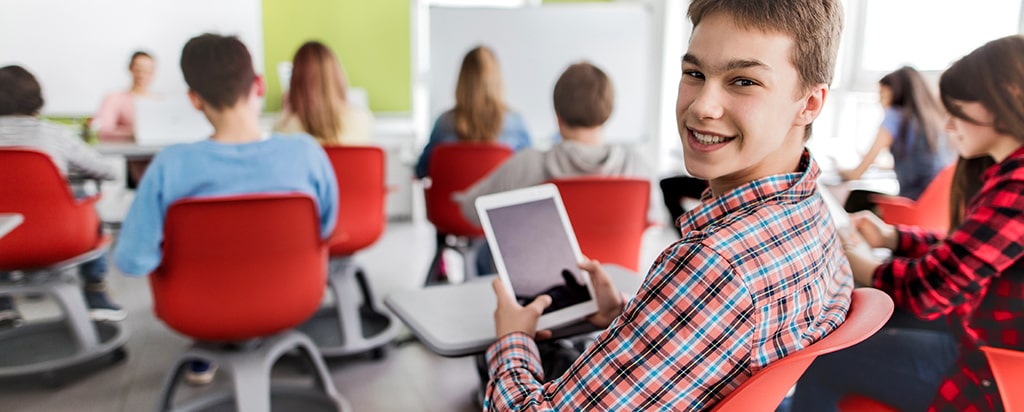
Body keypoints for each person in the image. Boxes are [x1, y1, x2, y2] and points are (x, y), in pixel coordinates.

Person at [483, 0, 852, 409]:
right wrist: (633, 317)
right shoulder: (810, 208)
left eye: (743, 81)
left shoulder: (714, 266)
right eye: (694, 74)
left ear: (810, 103)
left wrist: (512, 339)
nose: (701, 106)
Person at [790, 34, 1024, 411]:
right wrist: (892, 238)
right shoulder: (1005, 175)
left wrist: (859, 264)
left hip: (993, 371)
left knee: (827, 354)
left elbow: (932, 289)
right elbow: (965, 251)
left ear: (1007, 94)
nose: (949, 125)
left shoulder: (1018, 185)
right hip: (979, 335)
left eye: (958, 108)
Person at [113, 33, 339, 386]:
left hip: (197, 307)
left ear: (194, 99)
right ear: (259, 85)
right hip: (293, 297)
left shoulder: (169, 166)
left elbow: (133, 260)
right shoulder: (307, 153)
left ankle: (216, 337)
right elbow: (326, 229)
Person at [0, 65, 126, 328]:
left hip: (3, 240)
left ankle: (4, 306)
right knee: (82, 194)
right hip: (59, 238)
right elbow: (108, 171)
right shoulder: (54, 134)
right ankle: (95, 292)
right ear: (36, 98)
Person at [456, 62, 652, 226]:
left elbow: (471, 208)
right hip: (617, 273)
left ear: (558, 118)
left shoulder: (529, 164)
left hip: (539, 272)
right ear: (608, 114)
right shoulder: (638, 167)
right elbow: (654, 222)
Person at [840, 66, 953, 212]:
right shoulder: (932, 119)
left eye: (882, 94)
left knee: (856, 197)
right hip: (938, 210)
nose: (879, 101)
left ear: (895, 92)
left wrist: (841, 171)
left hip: (912, 206)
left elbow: (857, 174)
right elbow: (924, 163)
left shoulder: (894, 117)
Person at [413, 46, 531, 179]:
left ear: (462, 81)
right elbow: (531, 170)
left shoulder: (444, 123)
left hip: (452, 200)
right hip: (500, 200)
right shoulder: (515, 122)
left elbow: (421, 170)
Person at [273, 41, 374, 145]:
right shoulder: (361, 120)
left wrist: (285, 115)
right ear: (337, 77)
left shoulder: (285, 128)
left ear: (295, 80)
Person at [92, 51, 155, 142]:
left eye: (148, 71)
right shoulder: (114, 98)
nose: (143, 75)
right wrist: (131, 133)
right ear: (130, 69)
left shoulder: (162, 101)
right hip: (131, 152)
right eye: (139, 69)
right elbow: (103, 130)